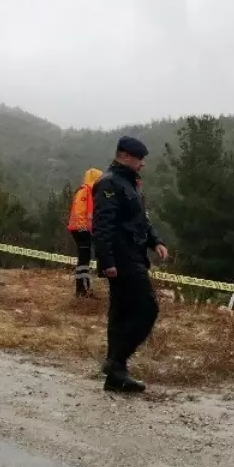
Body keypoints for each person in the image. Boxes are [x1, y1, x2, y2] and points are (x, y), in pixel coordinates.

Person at [92, 136, 169, 394]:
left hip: (135, 255)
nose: (143, 164)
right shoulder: (109, 183)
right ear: (124, 157)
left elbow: (141, 220)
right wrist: (107, 261)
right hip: (122, 259)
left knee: (121, 313)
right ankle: (116, 362)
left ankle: (115, 376)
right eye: (139, 159)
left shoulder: (131, 184)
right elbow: (102, 226)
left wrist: (155, 241)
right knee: (148, 308)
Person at [66, 168, 103, 296]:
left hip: (79, 229)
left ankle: (83, 289)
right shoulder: (86, 191)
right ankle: (82, 290)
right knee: (84, 259)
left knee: (84, 259)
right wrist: (87, 229)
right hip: (81, 229)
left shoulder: (85, 191)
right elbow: (81, 213)